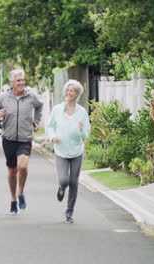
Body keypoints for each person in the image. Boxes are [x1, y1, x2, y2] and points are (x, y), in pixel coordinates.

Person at [0, 69, 43, 214]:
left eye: (23, 80)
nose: (21, 83)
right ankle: (13, 199)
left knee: (23, 166)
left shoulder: (31, 96)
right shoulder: (2, 97)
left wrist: (36, 121)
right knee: (12, 170)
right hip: (9, 138)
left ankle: (21, 193)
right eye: (18, 80)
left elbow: (39, 106)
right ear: (12, 82)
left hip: (25, 138)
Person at [46, 80, 91, 223]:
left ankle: (69, 213)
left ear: (77, 94)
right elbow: (50, 126)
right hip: (61, 151)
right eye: (67, 90)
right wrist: (53, 137)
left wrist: (81, 130)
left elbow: (86, 134)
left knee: (74, 182)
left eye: (71, 90)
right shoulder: (57, 109)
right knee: (64, 180)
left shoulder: (82, 112)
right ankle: (61, 188)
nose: (68, 92)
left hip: (77, 151)